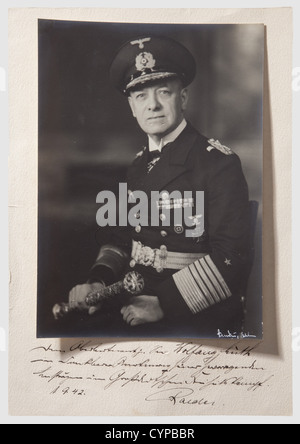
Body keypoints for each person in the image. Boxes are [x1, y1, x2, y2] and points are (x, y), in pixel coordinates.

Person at [68, 36, 251, 337]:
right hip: (134, 299)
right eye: (140, 96)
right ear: (131, 106)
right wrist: (99, 281)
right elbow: (122, 238)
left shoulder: (218, 164)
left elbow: (233, 257)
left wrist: (165, 304)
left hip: (192, 310)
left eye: (163, 92)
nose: (152, 105)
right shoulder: (139, 165)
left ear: (183, 98)